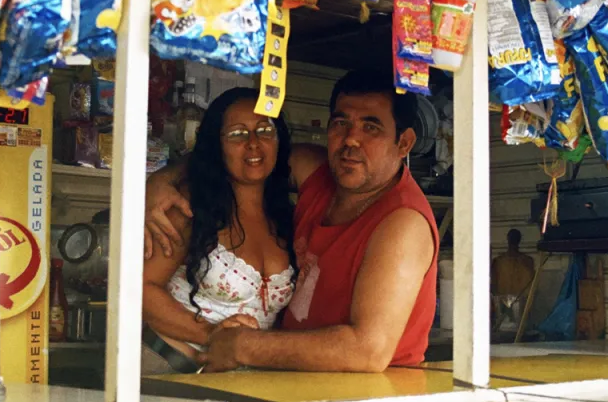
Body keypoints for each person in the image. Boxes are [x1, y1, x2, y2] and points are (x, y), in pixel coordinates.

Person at [144, 70, 439, 373]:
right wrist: (161, 180)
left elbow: (367, 351)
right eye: (341, 124)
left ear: (404, 143)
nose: (351, 139)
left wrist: (240, 345)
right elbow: (242, 156)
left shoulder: (403, 224)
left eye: (371, 127)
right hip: (256, 379)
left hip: (363, 398)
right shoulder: (317, 173)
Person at [141, 88, 297, 374]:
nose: (253, 144)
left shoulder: (286, 216)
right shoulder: (189, 205)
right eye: (237, 134)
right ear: (217, 145)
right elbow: (141, 289)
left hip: (241, 383)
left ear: (278, 140)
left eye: (264, 130)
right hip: (170, 367)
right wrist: (212, 334)